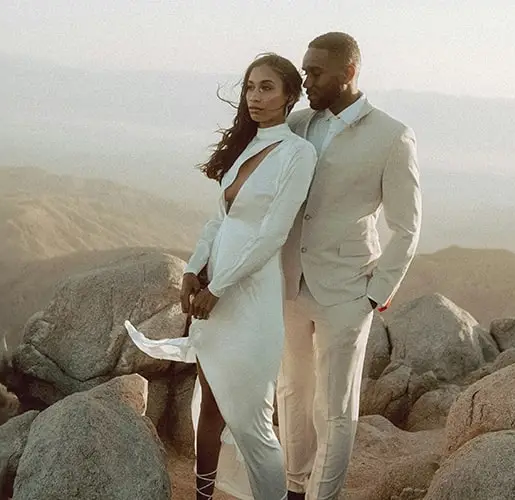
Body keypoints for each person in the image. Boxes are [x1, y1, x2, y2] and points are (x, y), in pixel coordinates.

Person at [125, 52, 317, 500]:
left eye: (266, 87)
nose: (254, 96)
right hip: (213, 291)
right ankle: (204, 496)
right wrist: (193, 269)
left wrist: (219, 287)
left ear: (290, 95)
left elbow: (272, 234)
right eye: (250, 87)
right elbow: (220, 221)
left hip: (250, 298)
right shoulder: (246, 146)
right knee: (209, 406)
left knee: (252, 424)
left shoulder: (298, 153)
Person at [277, 32, 422, 500]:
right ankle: (294, 488)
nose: (306, 80)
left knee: (335, 407)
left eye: (315, 72)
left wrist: (378, 291)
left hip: (347, 290)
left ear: (349, 73)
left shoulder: (391, 135)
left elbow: (407, 225)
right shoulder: (296, 124)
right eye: (304, 70)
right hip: (290, 285)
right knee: (293, 393)